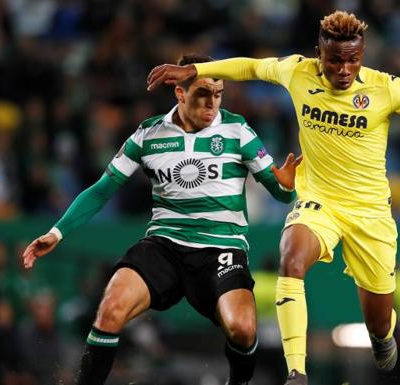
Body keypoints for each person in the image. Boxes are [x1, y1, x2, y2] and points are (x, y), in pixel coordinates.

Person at [146, 11, 400, 385]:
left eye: (353, 60)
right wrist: (196, 68)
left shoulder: (387, 89)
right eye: (335, 60)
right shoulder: (296, 72)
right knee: (291, 255)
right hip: (319, 201)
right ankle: (297, 372)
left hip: (371, 214)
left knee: (379, 323)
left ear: (362, 55)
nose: (344, 69)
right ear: (318, 53)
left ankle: (382, 337)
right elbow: (249, 66)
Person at [23, 54, 301, 385]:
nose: (212, 103)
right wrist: (57, 233)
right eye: (202, 93)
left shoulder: (238, 130)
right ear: (180, 93)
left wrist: (286, 186)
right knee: (110, 310)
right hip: (164, 246)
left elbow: (280, 192)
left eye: (218, 93)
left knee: (242, 329)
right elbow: (101, 190)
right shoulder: (149, 134)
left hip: (220, 248)